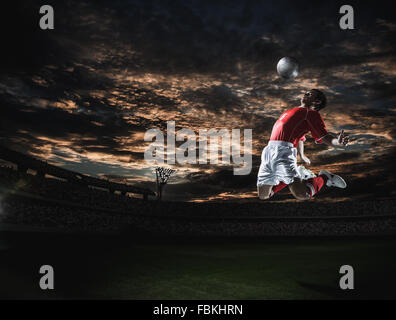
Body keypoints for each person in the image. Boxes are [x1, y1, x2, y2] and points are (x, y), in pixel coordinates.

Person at [257, 89, 349, 200]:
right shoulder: (290, 111)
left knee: (302, 194)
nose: (306, 93)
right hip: (268, 151)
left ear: (317, 102)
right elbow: (300, 137)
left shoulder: (311, 114)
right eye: (306, 92)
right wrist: (302, 155)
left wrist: (337, 142)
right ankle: (298, 173)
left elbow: (324, 136)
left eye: (310, 94)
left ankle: (325, 177)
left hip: (284, 152)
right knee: (263, 195)